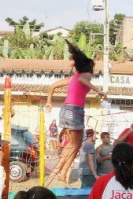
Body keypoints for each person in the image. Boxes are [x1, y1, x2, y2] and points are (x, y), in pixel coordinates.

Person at [45, 39, 107, 183]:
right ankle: (59, 170)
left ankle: (62, 171)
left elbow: (51, 87)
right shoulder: (86, 75)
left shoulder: (72, 77)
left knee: (74, 144)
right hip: (75, 110)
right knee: (75, 144)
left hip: (65, 110)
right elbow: (83, 82)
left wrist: (49, 101)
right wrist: (99, 91)